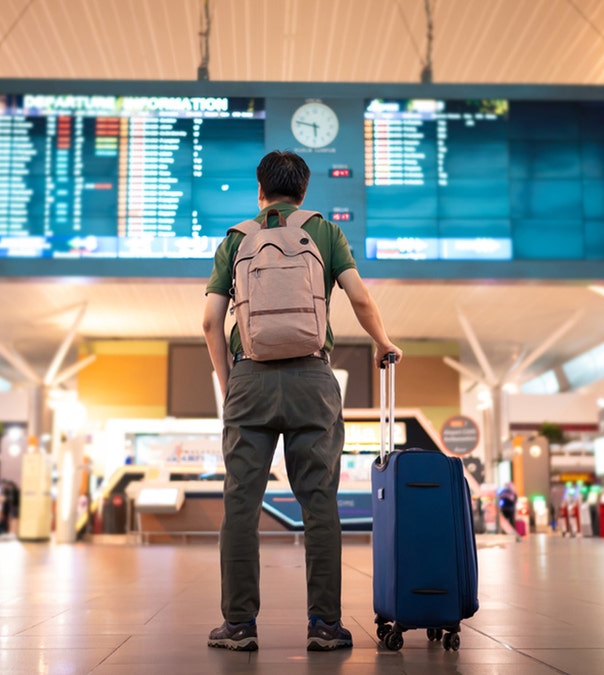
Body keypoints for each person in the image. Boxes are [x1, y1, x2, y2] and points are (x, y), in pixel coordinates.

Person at [202, 150, 402, 652]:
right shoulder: (325, 232)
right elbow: (359, 298)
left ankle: (240, 625)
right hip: (313, 377)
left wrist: (231, 385)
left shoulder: (236, 239)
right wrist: (382, 343)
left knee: (241, 503)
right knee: (319, 504)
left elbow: (209, 322)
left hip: (249, 377)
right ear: (304, 191)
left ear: (260, 190)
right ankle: (324, 625)